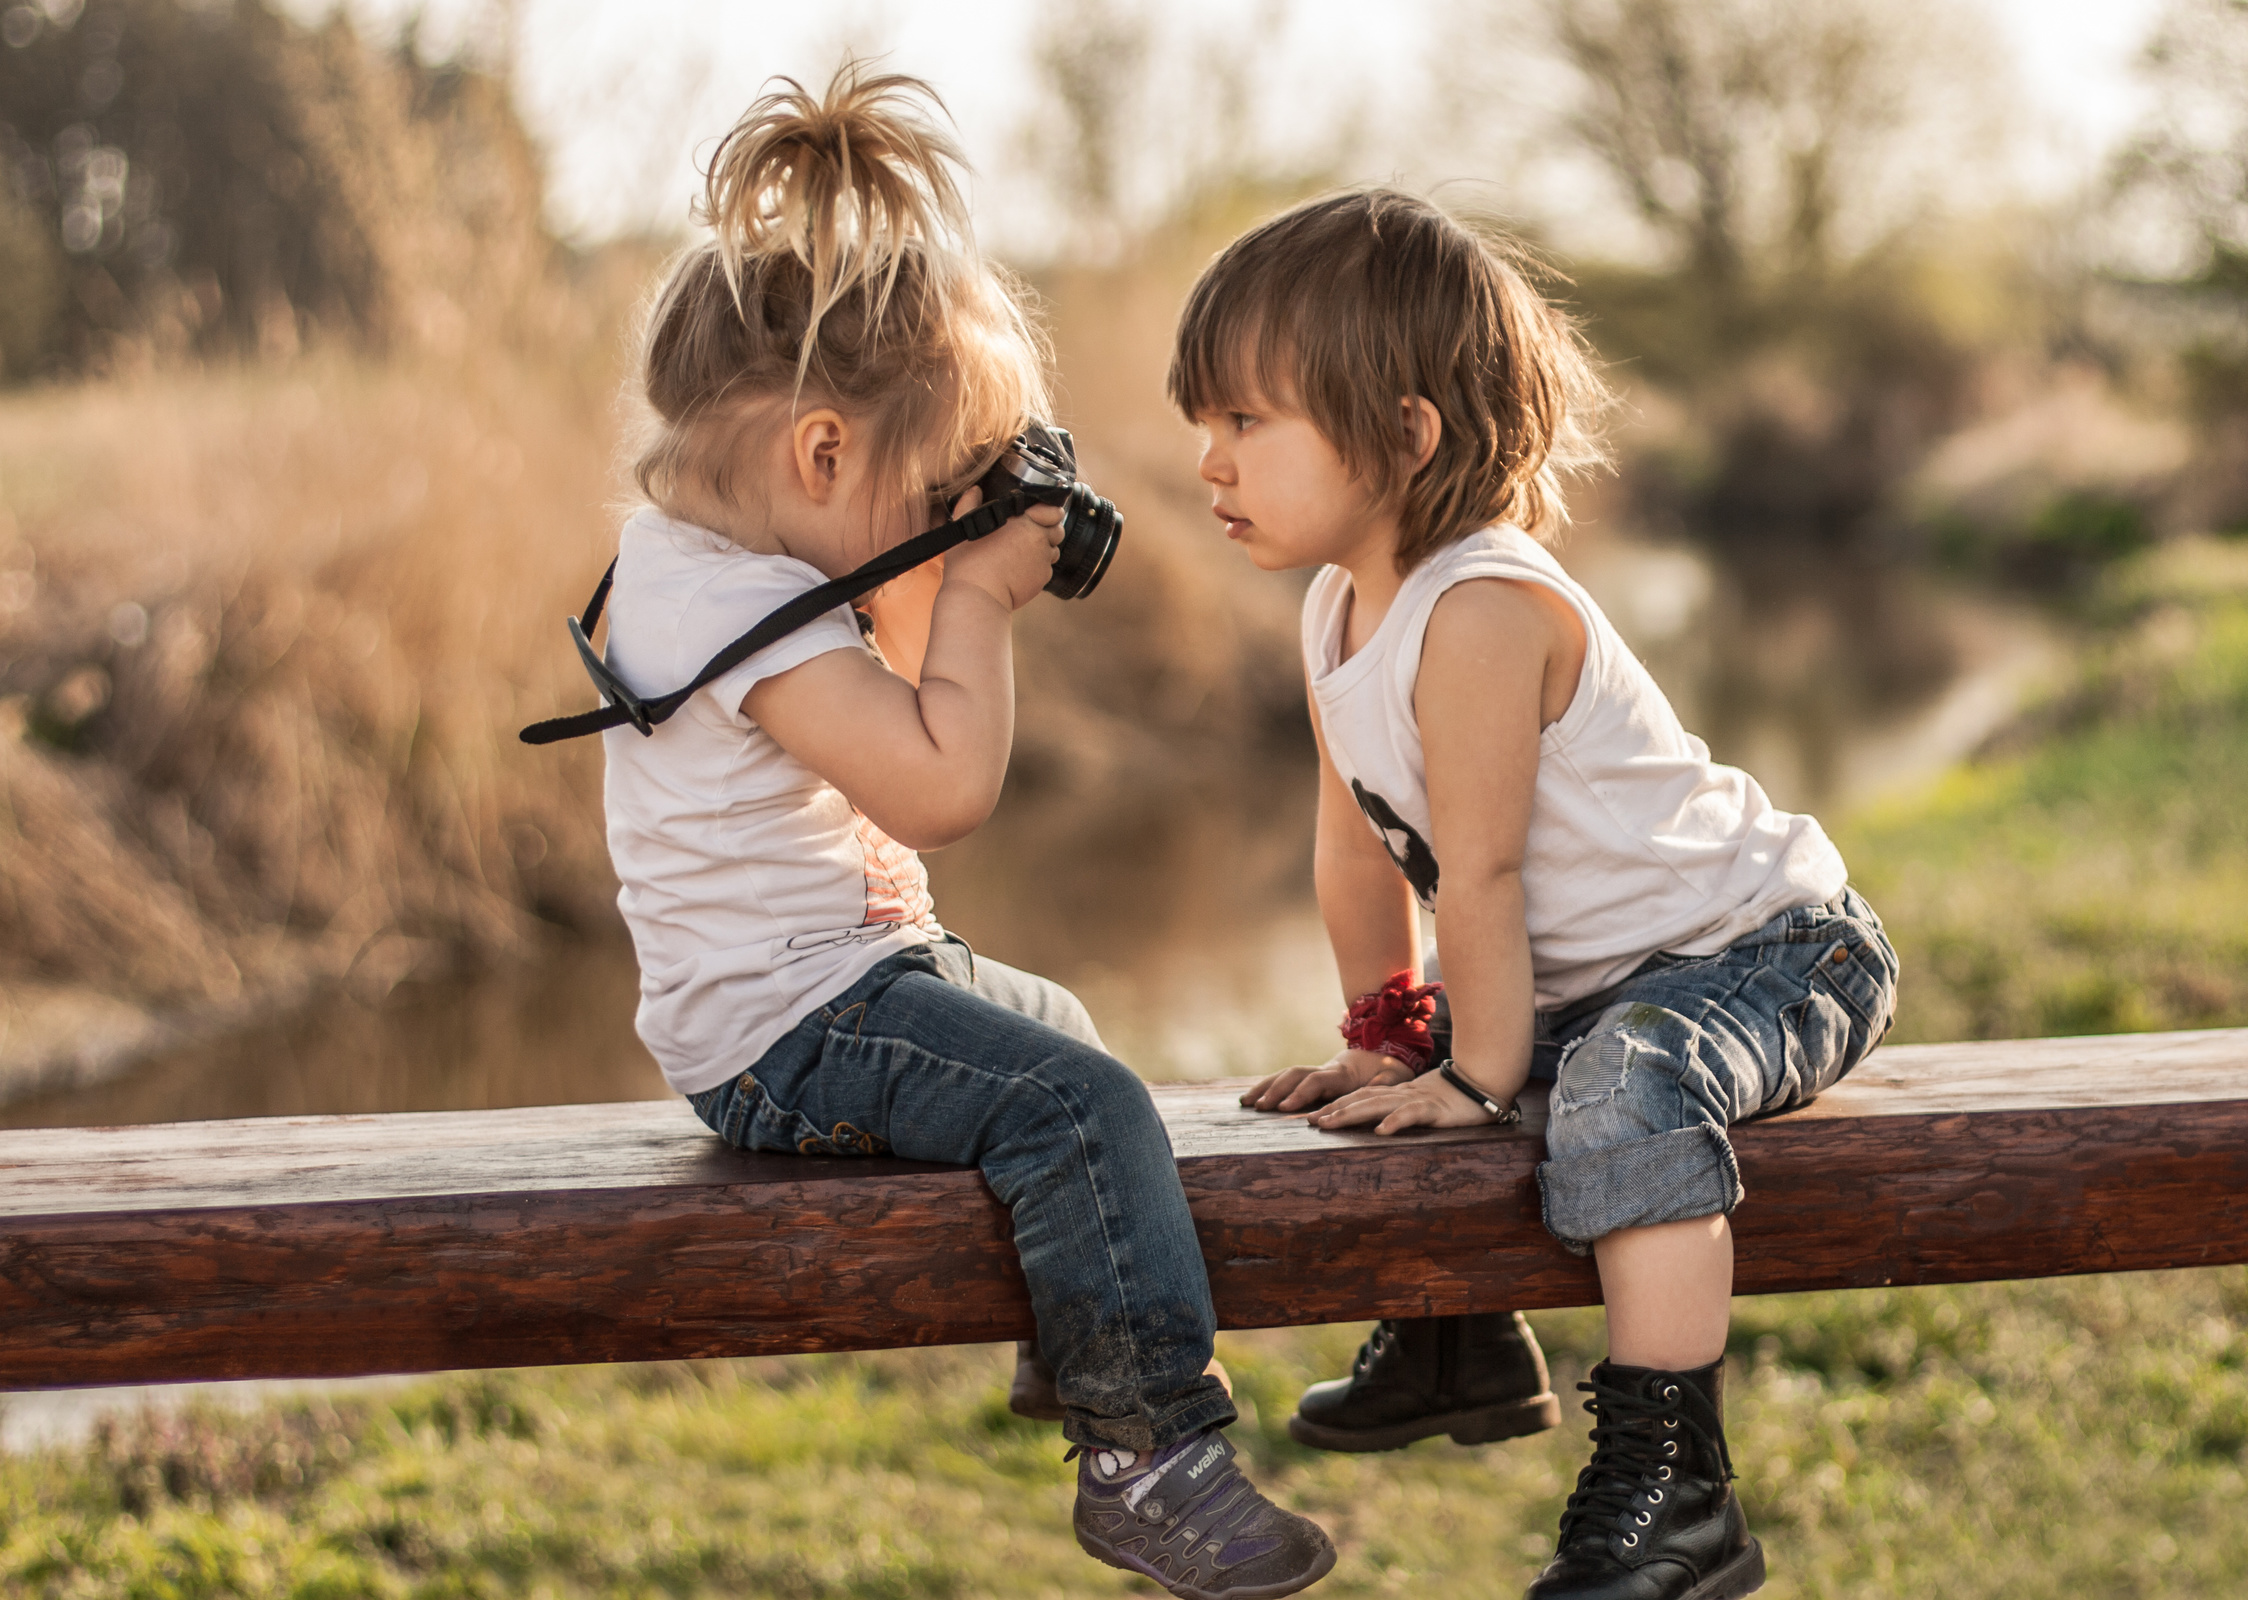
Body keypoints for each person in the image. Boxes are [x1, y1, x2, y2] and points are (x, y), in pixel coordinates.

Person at [588, 63, 1333, 1600]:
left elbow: (891, 638)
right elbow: (941, 789)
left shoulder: (705, 562)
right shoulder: (744, 615)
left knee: (1059, 1031)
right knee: (1079, 1106)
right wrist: (985, 588)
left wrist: (938, 531)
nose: (946, 517)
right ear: (818, 456)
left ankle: (1078, 1340)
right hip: (790, 1029)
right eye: (929, 488)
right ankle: (1148, 1458)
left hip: (825, 984)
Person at [1172, 189, 1898, 1600]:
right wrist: (1389, 1036)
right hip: (1617, 976)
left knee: (1613, 1083)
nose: (1209, 460)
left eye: (1247, 422)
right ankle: (1458, 1338)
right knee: (1427, 1072)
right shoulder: (1337, 608)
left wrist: (1476, 1067)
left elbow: (1485, 872)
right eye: (1206, 422)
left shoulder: (1487, 609)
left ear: (1405, 434)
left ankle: (1677, 1494)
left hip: (1767, 954)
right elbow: (1360, 850)